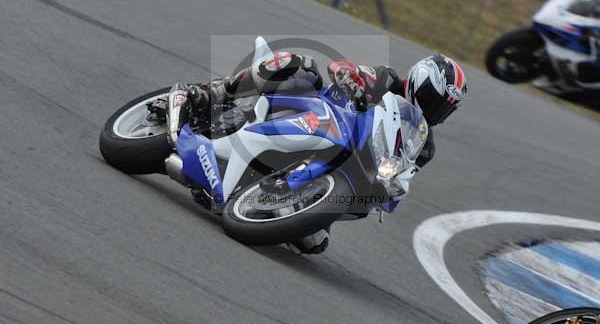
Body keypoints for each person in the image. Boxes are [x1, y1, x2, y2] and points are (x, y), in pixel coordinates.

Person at [186, 51, 467, 254]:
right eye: (433, 99)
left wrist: (392, 190)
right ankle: (214, 92)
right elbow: (340, 67)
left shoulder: (424, 145)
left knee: (314, 242)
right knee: (298, 65)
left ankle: (264, 197)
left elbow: (403, 176)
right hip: (317, 113)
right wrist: (352, 81)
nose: (435, 109)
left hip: (350, 166)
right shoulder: (385, 79)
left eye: (444, 107)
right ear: (419, 79)